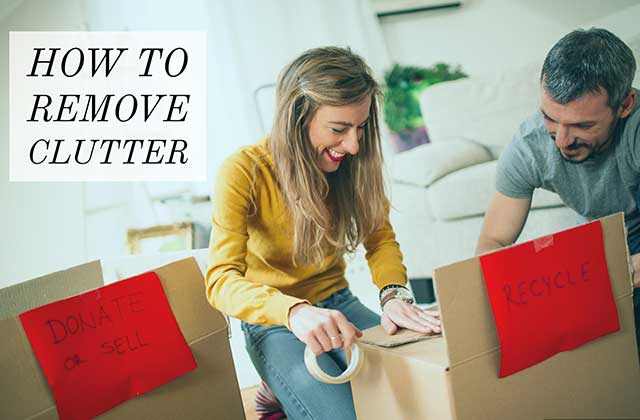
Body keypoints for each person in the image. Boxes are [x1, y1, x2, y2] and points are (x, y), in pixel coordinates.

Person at [205, 46, 441, 420]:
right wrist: (294, 311)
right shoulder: (243, 170)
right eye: (339, 129)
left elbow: (379, 240)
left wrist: (394, 295)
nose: (353, 145)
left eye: (360, 127)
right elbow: (220, 281)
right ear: (296, 118)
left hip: (340, 303)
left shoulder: (355, 161)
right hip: (277, 322)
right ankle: (277, 392)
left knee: (422, 393)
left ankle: (284, 388)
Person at [476, 28, 640, 351]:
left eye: (582, 125)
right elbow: (493, 240)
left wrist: (620, 275)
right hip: (605, 241)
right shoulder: (530, 145)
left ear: (624, 106)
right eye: (551, 118)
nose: (562, 141)